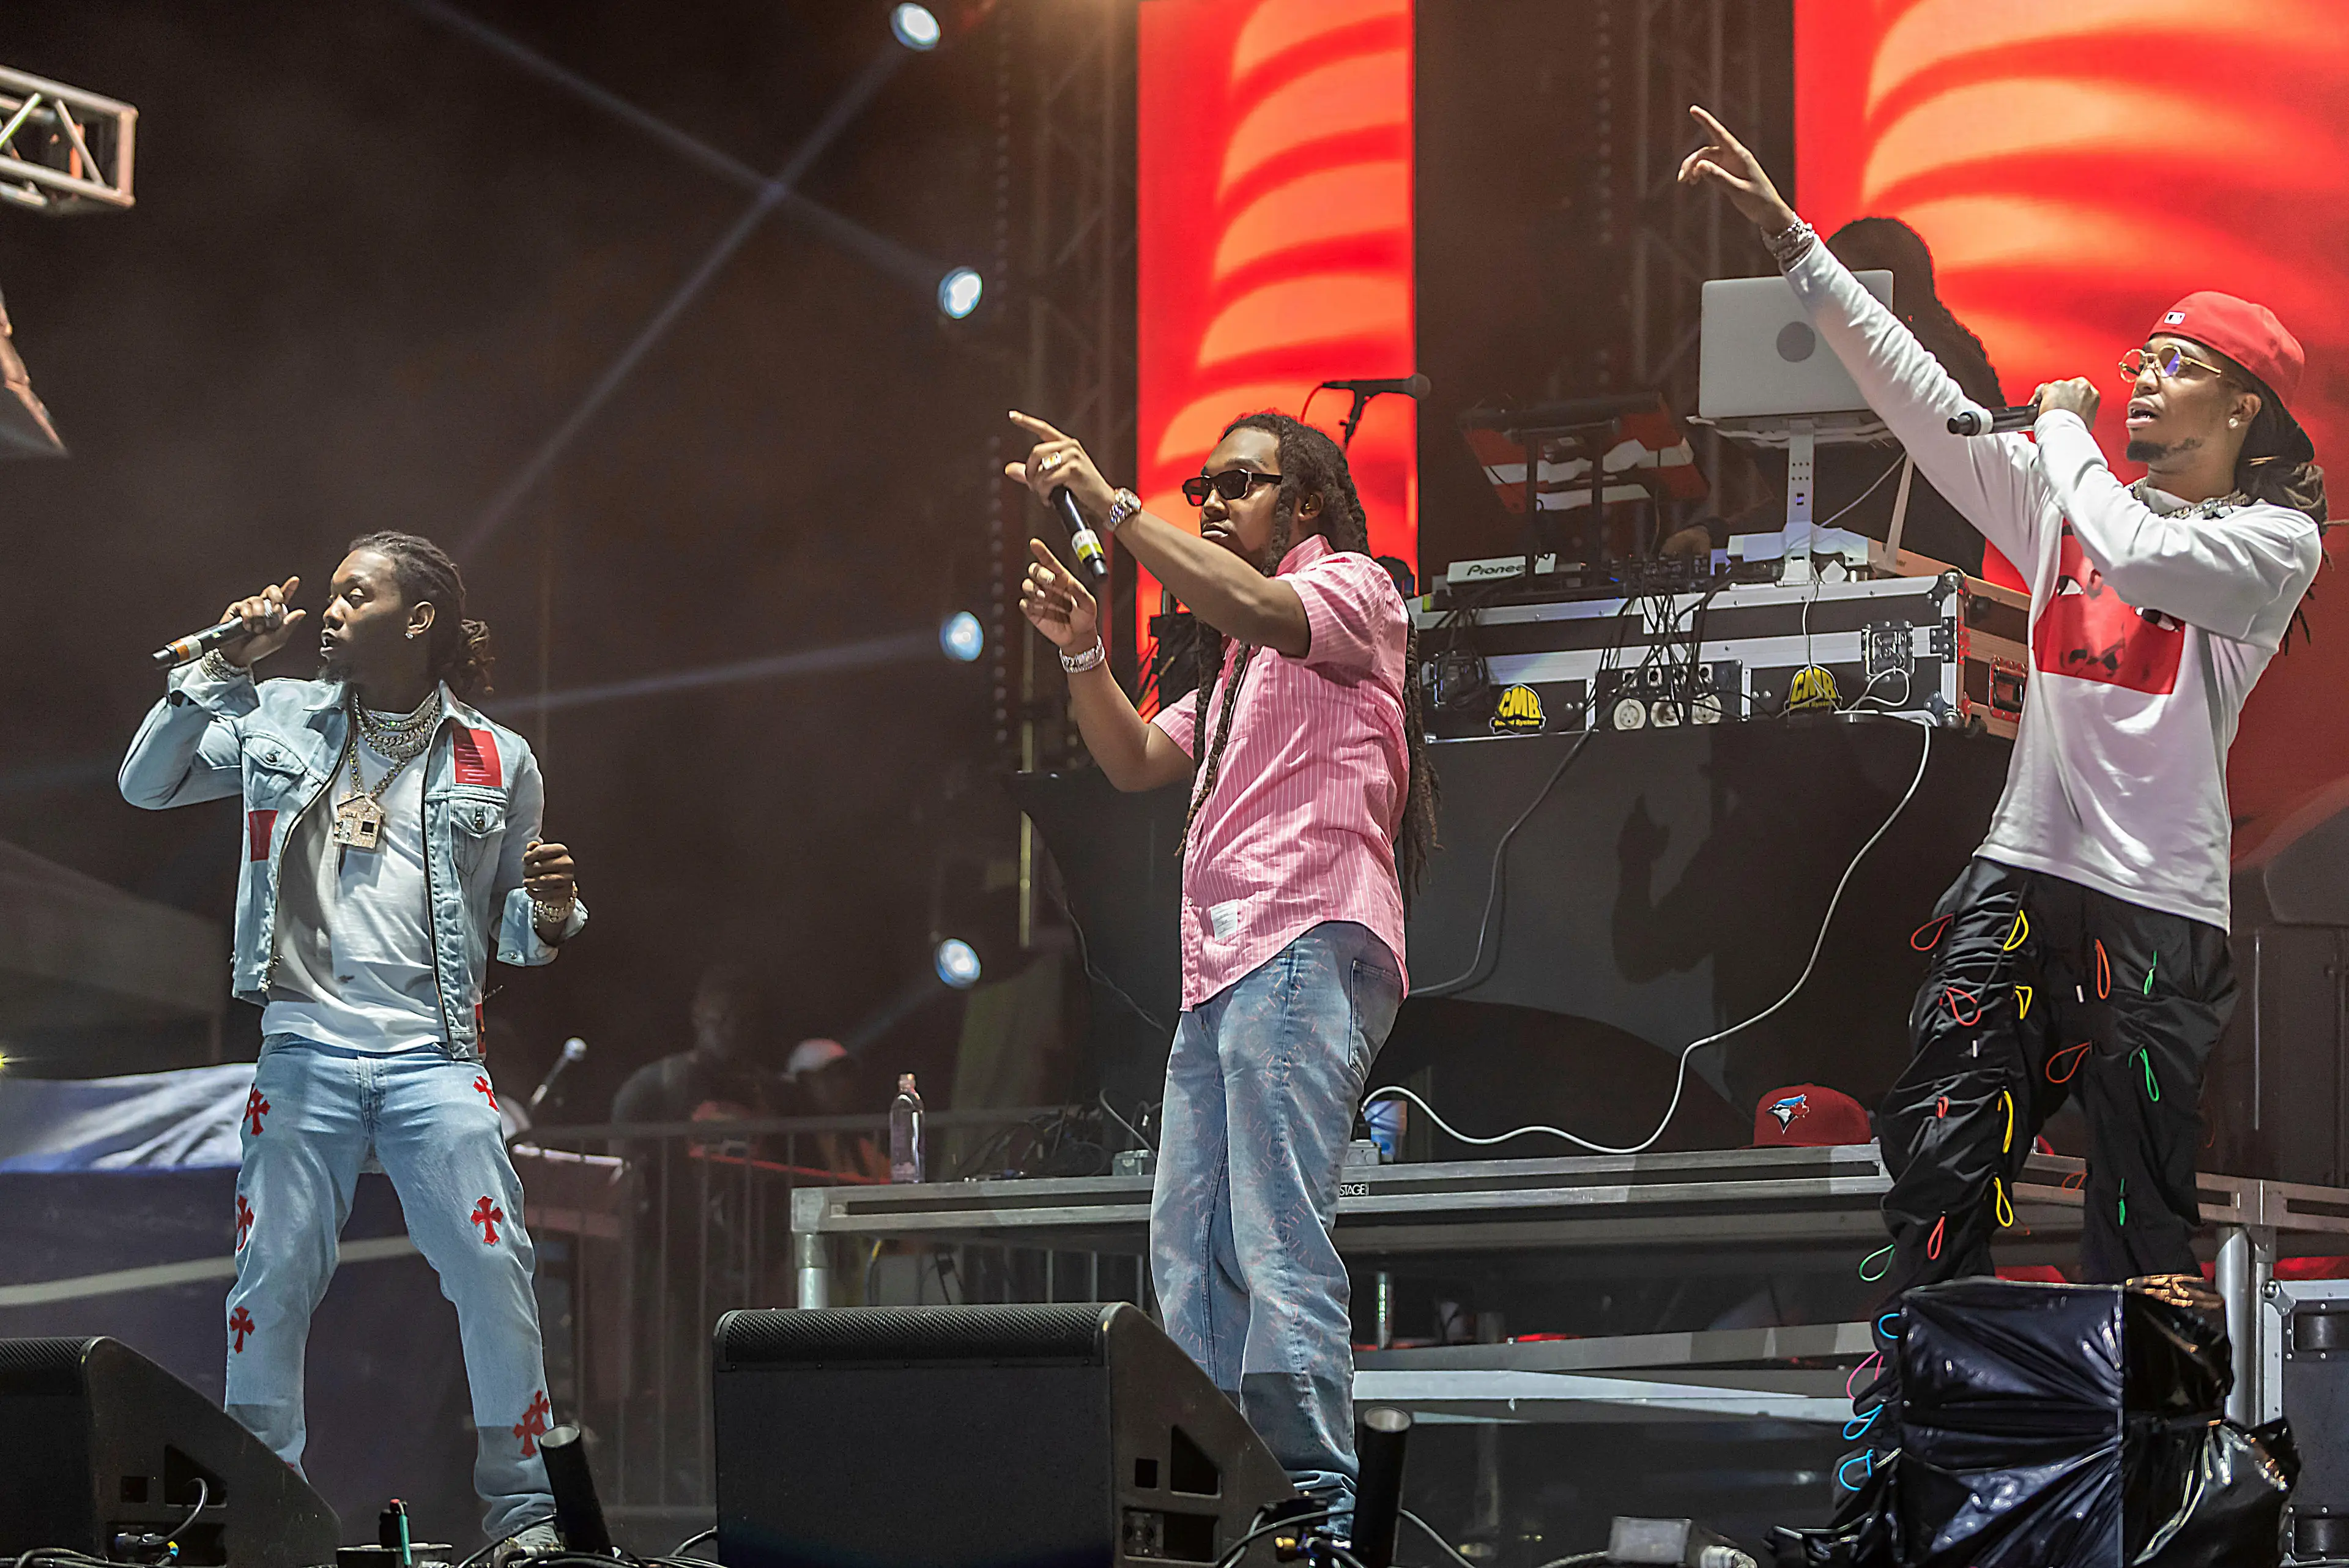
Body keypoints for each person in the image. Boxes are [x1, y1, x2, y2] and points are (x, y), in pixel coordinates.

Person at [1679, 106, 2326, 1492]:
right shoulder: (2062, 491)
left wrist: (2061, 439)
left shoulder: (2271, 542)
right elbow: (1911, 391)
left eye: (2174, 365)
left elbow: (2140, 553)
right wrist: (1793, 245)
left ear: (2241, 409)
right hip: (2021, 880)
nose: (2138, 379)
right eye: (2137, 358)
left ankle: (2148, 1492)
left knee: (2141, 1221)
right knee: (1934, 1167)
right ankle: (1913, 1469)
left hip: (2155, 916)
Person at [1006, 407, 1436, 1532]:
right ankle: (1201, 1509)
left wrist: (1114, 505)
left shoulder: (1353, 588)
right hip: (1227, 965)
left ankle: (1318, 1513)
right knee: (1188, 1249)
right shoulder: (1244, 661)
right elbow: (1137, 756)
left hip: (1301, 938)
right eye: (1200, 487)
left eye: (1235, 484)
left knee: (1273, 1232)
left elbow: (1246, 596)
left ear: (1303, 504)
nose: (1212, 502)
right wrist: (1081, 651)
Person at [120, 533, 586, 1558]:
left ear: (418, 618)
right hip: (304, 1048)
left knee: (494, 1261)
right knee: (274, 1270)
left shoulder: (497, 757)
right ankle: (261, 1510)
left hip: (434, 1055)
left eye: (352, 592)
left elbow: (517, 934)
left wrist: (550, 909)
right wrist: (222, 663)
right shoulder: (278, 711)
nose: (329, 608)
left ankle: (524, 1518)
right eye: (331, 593)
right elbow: (144, 784)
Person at [610, 962, 779, 1126]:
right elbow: (623, 1152)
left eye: (744, 1022)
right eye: (721, 1020)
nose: (731, 1032)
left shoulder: (773, 1093)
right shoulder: (652, 1087)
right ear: (698, 1014)